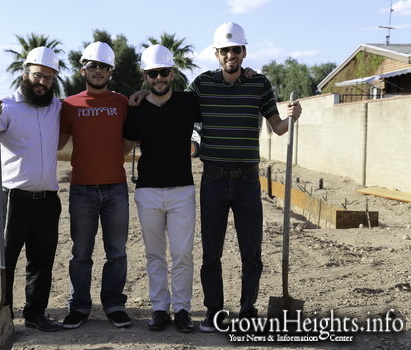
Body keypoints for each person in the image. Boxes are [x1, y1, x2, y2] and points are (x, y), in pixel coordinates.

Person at [188, 22, 302, 332]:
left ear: (244, 52)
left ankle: (247, 310)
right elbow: (179, 113)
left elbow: (277, 127)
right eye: (224, 50)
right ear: (216, 54)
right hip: (213, 180)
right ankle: (214, 312)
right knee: (211, 253)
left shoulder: (259, 84)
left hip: (248, 182)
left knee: (251, 252)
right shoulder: (201, 85)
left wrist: (291, 117)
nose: (230, 55)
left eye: (235, 49)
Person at [0, 46, 62, 332]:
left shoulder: (56, 106)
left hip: (48, 199)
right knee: (5, 260)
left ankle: (36, 314)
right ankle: (4, 315)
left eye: (48, 78)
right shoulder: (6, 108)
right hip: (14, 200)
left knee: (42, 261)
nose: (42, 82)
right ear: (26, 73)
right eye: (38, 75)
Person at [123, 45, 201, 333]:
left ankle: (182, 308)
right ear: (145, 77)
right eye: (153, 73)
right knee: (154, 254)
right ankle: (159, 308)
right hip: (148, 192)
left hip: (182, 191)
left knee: (182, 254)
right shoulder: (136, 110)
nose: (159, 78)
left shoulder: (188, 103)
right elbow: (123, 147)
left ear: (173, 73)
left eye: (164, 72)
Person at [58, 41, 131, 329]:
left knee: (117, 252)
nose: (97, 71)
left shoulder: (123, 103)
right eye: (92, 66)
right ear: (82, 69)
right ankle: (80, 306)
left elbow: (130, 139)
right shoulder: (69, 105)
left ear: (111, 71)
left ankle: (114, 304)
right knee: (80, 253)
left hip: (115, 189)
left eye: (103, 66)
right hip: (82, 190)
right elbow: (56, 141)